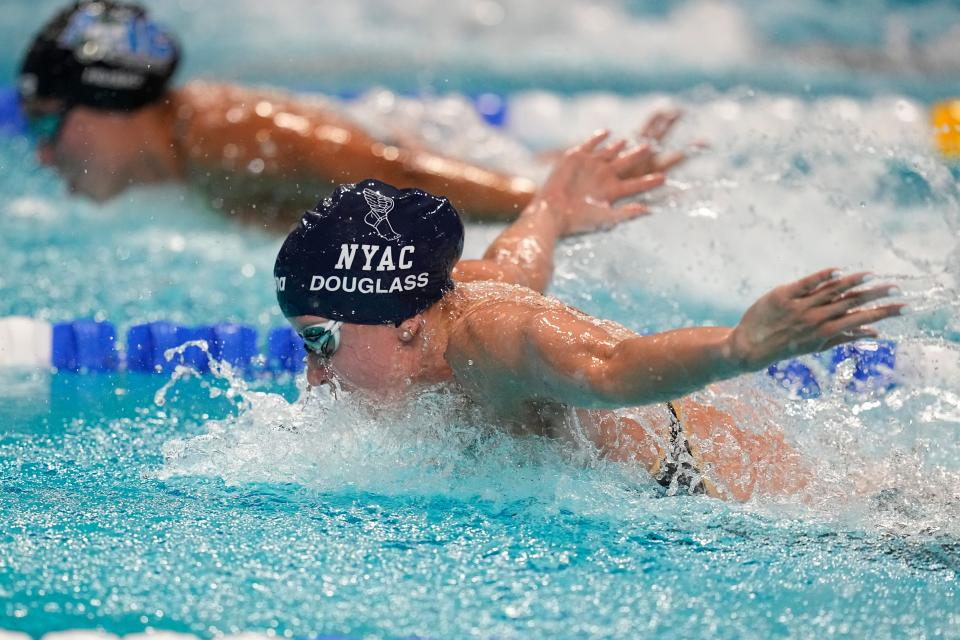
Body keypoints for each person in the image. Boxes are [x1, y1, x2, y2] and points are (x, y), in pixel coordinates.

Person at [272, 132, 905, 502]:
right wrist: (551, 209)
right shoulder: (440, 297)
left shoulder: (489, 341)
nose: (315, 377)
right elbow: (516, 264)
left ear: (406, 324)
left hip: (719, 483)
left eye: (322, 342)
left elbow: (613, 369)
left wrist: (737, 347)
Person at [17, 0, 684, 226]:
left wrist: (546, 203)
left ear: (109, 102)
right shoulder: (186, 160)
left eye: (48, 122)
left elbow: (401, 176)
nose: (42, 153)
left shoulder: (233, 137)